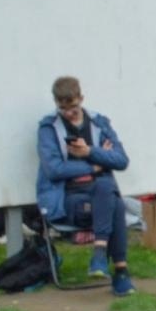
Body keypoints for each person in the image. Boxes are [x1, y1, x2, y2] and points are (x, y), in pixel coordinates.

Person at [34, 76, 135, 296]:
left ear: (81, 98)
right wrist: (95, 167)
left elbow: (122, 160)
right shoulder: (48, 128)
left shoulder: (99, 122)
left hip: (100, 195)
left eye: (73, 107)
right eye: (63, 108)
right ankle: (120, 272)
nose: (68, 113)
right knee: (113, 200)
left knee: (107, 190)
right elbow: (54, 170)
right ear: (56, 104)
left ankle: (100, 255)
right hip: (69, 198)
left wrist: (89, 152)